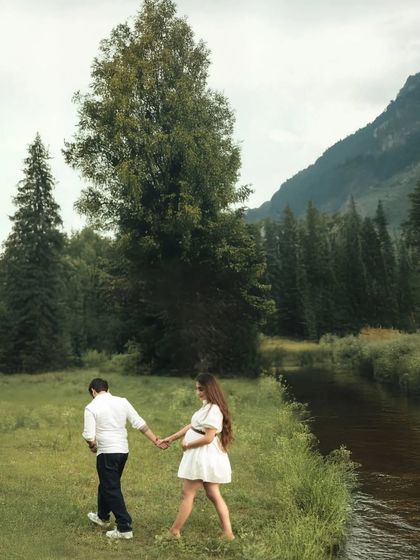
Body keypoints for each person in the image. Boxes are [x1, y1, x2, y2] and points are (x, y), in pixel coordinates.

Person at [82, 377, 165, 539]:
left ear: (93, 391)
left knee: (111, 487)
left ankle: (124, 527)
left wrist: (92, 447)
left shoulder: (91, 407)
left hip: (106, 452)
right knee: (107, 484)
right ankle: (102, 516)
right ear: (107, 389)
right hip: (122, 451)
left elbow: (89, 436)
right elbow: (139, 423)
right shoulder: (122, 401)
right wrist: (156, 440)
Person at [162, 373, 234, 540]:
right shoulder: (207, 406)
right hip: (203, 455)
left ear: (210, 389)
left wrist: (187, 445)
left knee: (188, 493)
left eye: (201, 389)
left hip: (204, 456)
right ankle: (228, 533)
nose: (198, 392)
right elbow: (193, 426)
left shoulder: (214, 410)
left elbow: (209, 437)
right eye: (197, 389)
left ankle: (174, 531)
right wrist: (172, 438)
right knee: (213, 493)